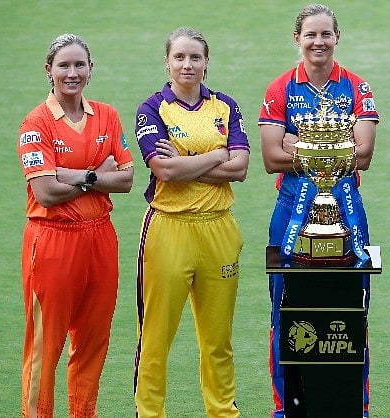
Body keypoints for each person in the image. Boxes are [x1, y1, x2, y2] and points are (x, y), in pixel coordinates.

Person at [258, 4, 378, 417]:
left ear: (337, 37)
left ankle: (356, 404)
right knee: (284, 308)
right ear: (298, 39)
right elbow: (271, 157)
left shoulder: (358, 88)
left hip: (345, 206)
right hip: (292, 209)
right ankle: (284, 406)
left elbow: (362, 155)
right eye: (310, 35)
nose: (318, 42)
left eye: (325, 34)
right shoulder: (280, 89)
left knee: (353, 309)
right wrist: (332, 143)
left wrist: (299, 141)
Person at [132, 27, 250, 418]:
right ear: (167, 62)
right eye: (179, 57)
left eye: (195, 57)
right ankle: (149, 413)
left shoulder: (225, 107)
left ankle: (222, 412)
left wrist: (188, 163)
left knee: (218, 340)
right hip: (170, 227)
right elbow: (164, 170)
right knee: (156, 338)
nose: (187, 64)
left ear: (206, 62)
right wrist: (217, 154)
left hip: (219, 228)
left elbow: (242, 168)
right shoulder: (152, 109)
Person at [17, 33, 134, 417]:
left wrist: (73, 175)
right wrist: (94, 174)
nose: (72, 73)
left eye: (79, 65)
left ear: (90, 69)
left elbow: (128, 179)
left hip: (101, 237)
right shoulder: (36, 122)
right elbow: (47, 192)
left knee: (93, 340)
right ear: (48, 71)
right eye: (63, 65)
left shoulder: (107, 115)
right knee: (45, 345)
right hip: (53, 241)